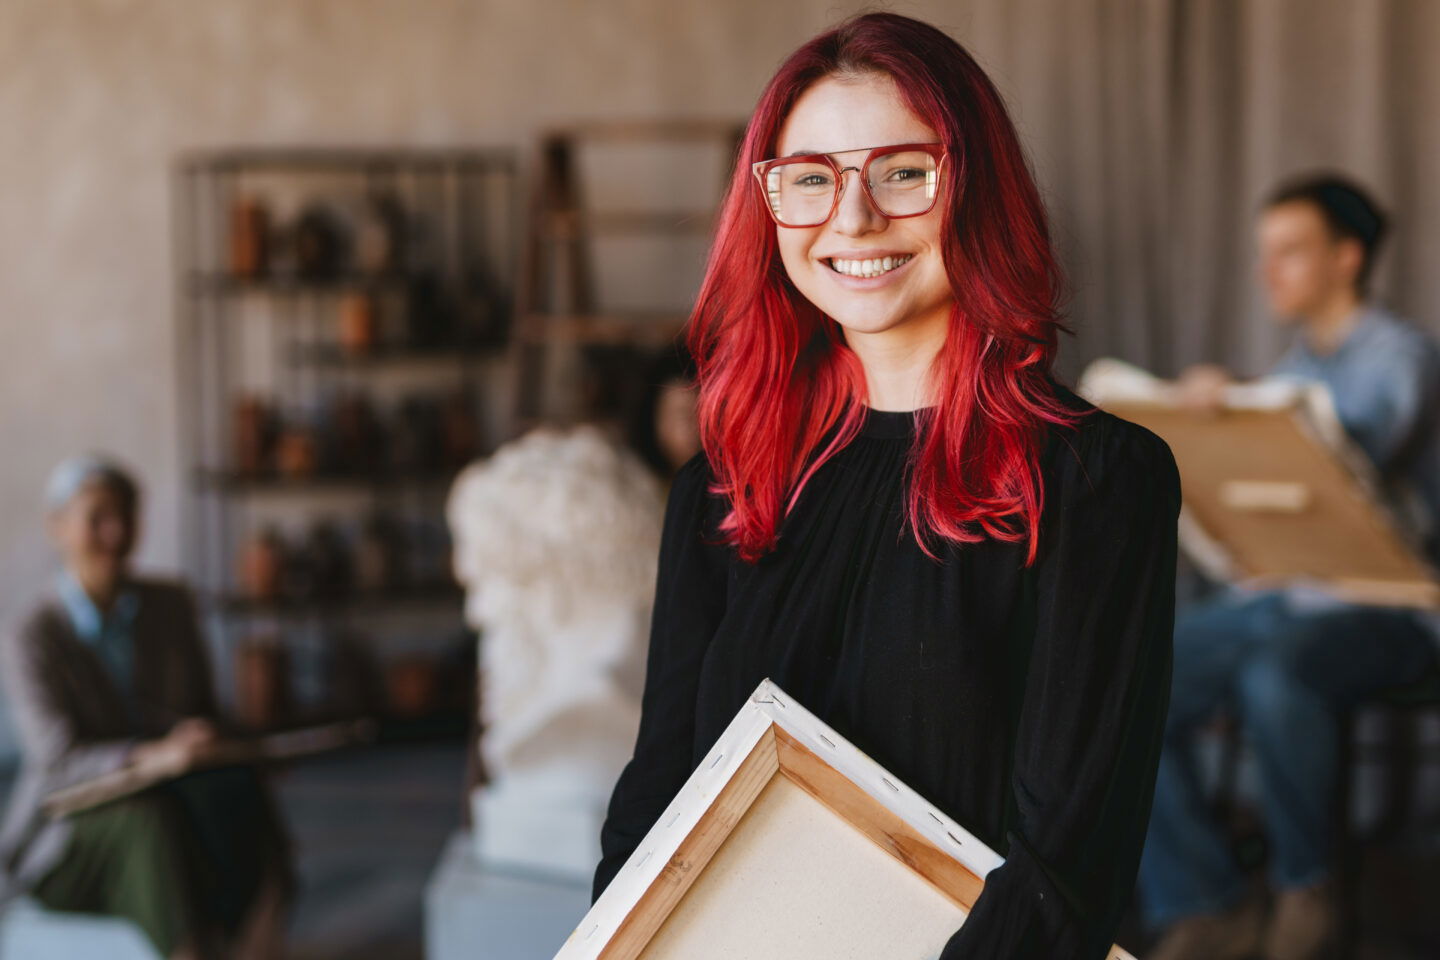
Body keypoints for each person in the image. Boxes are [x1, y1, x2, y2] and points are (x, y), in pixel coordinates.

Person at [590, 14, 1180, 959]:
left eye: (904, 172)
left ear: (977, 187)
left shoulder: (1100, 481)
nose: (852, 219)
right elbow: (660, 798)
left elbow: (1067, 866)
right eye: (812, 180)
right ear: (769, 206)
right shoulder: (723, 487)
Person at [1140, 176, 1440, 960]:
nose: (1269, 271)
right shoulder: (1294, 364)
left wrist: (1243, 399)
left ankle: (1308, 890)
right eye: (1264, 253)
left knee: (1281, 673)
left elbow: (1359, 440)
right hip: (1286, 599)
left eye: (1291, 251)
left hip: (1391, 609)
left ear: (1347, 258)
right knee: (1127, 674)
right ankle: (1206, 900)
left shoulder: (1401, 357)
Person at [0, 455, 294, 960]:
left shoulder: (170, 605)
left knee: (238, 788)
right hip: (68, 832)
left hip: (175, 796)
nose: (115, 533)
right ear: (58, 528)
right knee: (144, 820)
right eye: (97, 518)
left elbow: (204, 710)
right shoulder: (34, 633)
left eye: (127, 516)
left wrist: (210, 741)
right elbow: (57, 762)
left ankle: (255, 936)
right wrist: (149, 756)